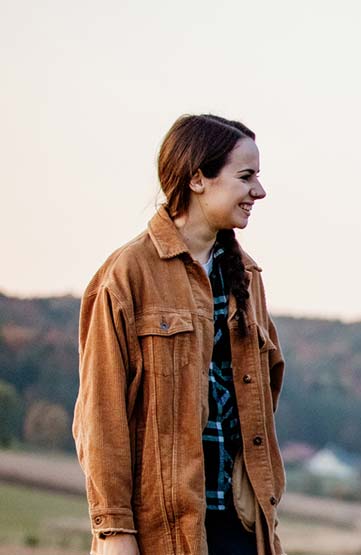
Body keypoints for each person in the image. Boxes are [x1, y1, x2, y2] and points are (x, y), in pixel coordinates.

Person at [74, 114, 285, 555]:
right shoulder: (127, 274)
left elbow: (265, 393)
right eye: (246, 177)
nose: (259, 192)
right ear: (197, 179)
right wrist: (114, 532)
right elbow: (101, 416)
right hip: (161, 534)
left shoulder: (247, 276)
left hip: (242, 528)